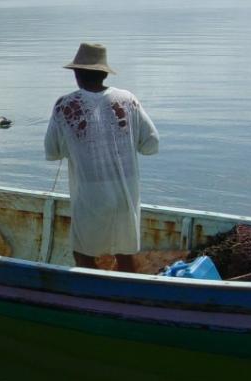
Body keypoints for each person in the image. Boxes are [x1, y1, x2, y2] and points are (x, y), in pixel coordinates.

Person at [44, 43, 159, 272]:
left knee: (83, 254)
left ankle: (91, 290)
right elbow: (151, 144)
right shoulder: (128, 99)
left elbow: (52, 151)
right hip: (125, 195)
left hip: (90, 196)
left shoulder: (65, 105)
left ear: (77, 74)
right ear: (105, 73)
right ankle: (126, 291)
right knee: (125, 255)